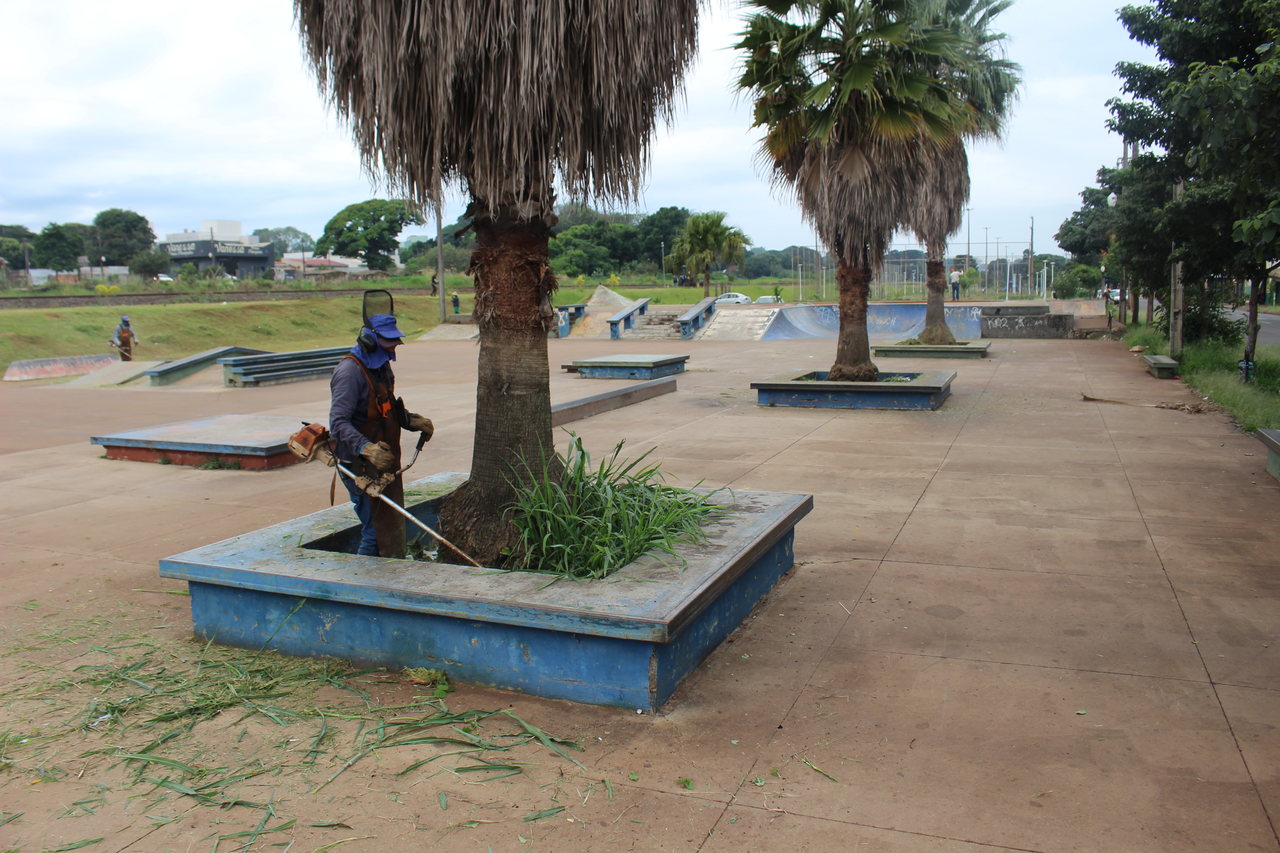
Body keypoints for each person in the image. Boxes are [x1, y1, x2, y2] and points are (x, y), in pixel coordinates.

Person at [328, 313, 434, 558]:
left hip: (383, 461)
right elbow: (338, 423)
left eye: (396, 340)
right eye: (389, 340)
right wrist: (366, 448)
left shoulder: (381, 366)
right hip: (358, 464)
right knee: (375, 532)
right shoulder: (349, 372)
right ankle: (362, 586)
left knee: (389, 525)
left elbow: (383, 407)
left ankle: (387, 576)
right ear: (369, 339)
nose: (395, 345)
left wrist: (410, 420)